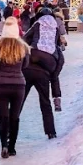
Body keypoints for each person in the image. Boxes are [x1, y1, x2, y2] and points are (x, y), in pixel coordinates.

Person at [0, 25, 30, 158]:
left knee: (3, 116)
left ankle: (4, 145)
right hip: (18, 85)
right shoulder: (23, 47)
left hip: (1, 85)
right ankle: (12, 147)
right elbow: (25, 65)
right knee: (15, 117)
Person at [23, 7, 61, 138]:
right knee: (45, 101)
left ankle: (10, 130)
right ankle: (51, 131)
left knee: (19, 101)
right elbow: (57, 44)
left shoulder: (37, 24)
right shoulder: (55, 27)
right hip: (46, 68)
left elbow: (25, 38)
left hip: (30, 65)